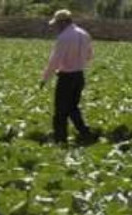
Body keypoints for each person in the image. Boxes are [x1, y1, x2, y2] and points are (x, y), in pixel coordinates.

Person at [39, 10, 94, 145]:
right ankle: (85, 133)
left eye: (57, 24)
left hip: (66, 77)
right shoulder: (84, 34)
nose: (56, 27)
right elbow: (90, 56)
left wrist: (45, 78)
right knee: (73, 107)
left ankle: (60, 139)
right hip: (79, 76)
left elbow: (55, 61)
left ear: (63, 22)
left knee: (60, 111)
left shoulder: (64, 37)